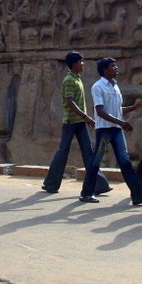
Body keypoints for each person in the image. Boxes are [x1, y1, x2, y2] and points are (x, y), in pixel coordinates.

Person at [79, 57, 142, 205]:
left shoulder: (115, 86)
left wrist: (135, 107)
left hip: (116, 129)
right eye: (113, 66)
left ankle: (139, 194)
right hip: (104, 129)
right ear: (105, 70)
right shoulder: (98, 87)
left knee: (124, 161)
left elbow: (117, 110)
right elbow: (100, 111)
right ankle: (87, 192)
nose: (116, 69)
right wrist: (121, 122)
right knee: (96, 161)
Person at [41, 51, 112, 194]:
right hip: (71, 122)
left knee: (89, 153)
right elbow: (70, 102)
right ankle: (51, 183)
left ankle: (99, 184)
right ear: (74, 64)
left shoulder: (77, 78)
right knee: (63, 152)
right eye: (81, 62)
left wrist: (84, 119)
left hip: (79, 121)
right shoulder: (69, 80)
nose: (83, 64)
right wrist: (86, 117)